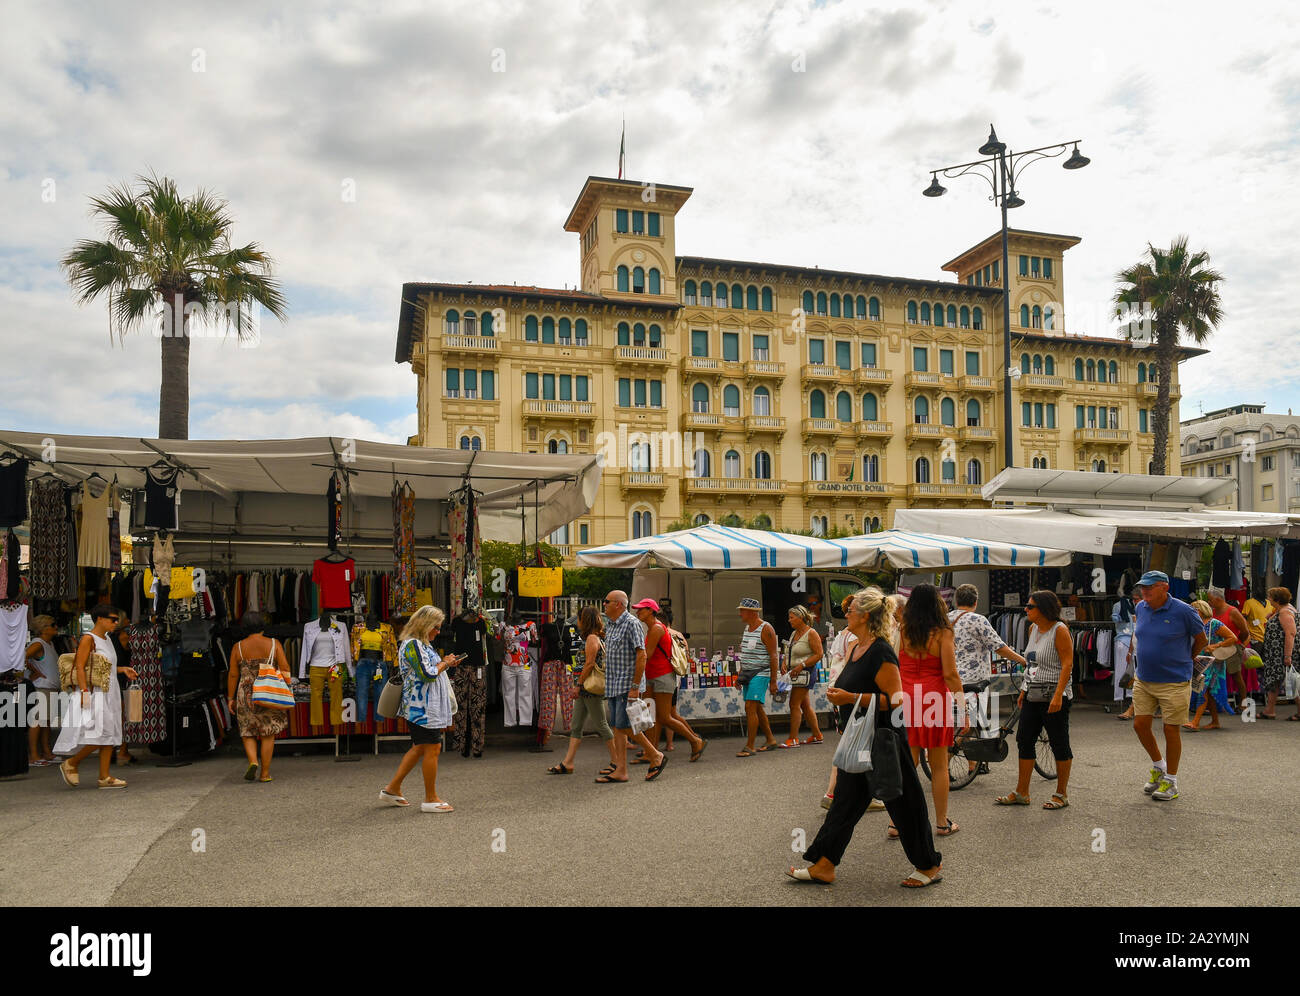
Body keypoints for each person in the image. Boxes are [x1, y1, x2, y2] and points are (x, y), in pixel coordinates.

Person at [788, 587, 944, 888]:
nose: (846, 612)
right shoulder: (856, 647)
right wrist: (843, 698)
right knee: (844, 804)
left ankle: (928, 865)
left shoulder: (881, 650)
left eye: (851, 609)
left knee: (905, 804)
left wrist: (850, 698)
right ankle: (824, 864)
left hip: (884, 740)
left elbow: (896, 700)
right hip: (860, 740)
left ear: (866, 615)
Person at [894, 583, 965, 838]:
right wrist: (963, 707)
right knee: (938, 766)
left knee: (907, 764)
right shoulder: (943, 633)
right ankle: (942, 822)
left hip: (905, 699)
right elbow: (950, 674)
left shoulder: (902, 631)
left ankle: (896, 824)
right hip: (934, 699)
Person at [1130, 571, 1207, 802]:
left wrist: (1187, 658)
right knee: (1140, 724)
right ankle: (1158, 765)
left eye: (1149, 587)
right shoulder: (1141, 608)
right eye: (1142, 587)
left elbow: (1201, 639)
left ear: (1164, 587)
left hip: (1174, 680)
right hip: (1144, 678)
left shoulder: (1184, 610)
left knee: (1170, 729)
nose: (1144, 591)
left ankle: (1171, 781)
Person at [993, 591, 1074, 810]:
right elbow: (1032, 664)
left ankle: (1061, 793)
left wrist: (1059, 694)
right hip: (1033, 693)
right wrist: (1024, 689)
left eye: (1030, 607)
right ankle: (1022, 791)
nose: (1025, 610)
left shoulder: (1060, 630)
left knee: (1059, 742)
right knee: (1024, 739)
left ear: (1044, 609)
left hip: (1054, 694)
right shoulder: (1032, 629)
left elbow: (1067, 664)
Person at [380, 606, 461, 812]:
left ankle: (392, 789)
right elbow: (427, 674)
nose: (438, 631)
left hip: (422, 707)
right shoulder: (413, 644)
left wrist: (445, 663)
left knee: (420, 748)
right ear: (425, 625)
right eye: (436, 627)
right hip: (421, 707)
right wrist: (445, 662)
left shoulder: (420, 644)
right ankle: (430, 799)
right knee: (432, 747)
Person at [56, 604, 138, 789]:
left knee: (110, 733)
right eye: (112, 619)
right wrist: (85, 692)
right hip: (95, 692)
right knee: (100, 733)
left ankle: (104, 776)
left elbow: (102, 667)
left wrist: (122, 669)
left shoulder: (108, 639)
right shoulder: (88, 638)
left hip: (110, 690)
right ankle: (72, 763)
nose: (116, 623)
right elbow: (80, 666)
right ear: (99, 619)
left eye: (117, 619)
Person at [948, 584, 1027, 755]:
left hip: (951, 678)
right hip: (975, 681)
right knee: (974, 721)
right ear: (975, 602)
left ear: (956, 600)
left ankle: (973, 764)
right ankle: (951, 754)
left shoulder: (946, 619)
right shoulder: (978, 620)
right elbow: (999, 647)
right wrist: (1021, 659)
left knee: (965, 720)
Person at [597, 591, 665, 783]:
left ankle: (655, 755)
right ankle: (621, 770)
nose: (604, 604)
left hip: (627, 683)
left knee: (625, 725)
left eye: (607, 602)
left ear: (618, 604)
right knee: (618, 728)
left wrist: (635, 685)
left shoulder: (631, 623)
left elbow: (641, 655)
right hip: (613, 684)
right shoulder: (610, 625)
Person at [632, 599, 707, 762]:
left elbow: (647, 655)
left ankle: (696, 740)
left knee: (665, 717)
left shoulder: (657, 628)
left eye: (641, 609)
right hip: (653, 676)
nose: (638, 612)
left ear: (651, 611)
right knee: (650, 716)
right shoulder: (653, 628)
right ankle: (650, 752)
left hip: (662, 676)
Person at [549, 606, 616, 775]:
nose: (577, 622)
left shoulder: (592, 638)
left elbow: (589, 664)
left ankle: (617, 761)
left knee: (601, 725)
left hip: (588, 687)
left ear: (584, 620)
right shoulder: (592, 638)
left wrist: (578, 685)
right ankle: (568, 762)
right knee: (576, 726)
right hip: (585, 687)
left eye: (578, 618)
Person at [227, 611, 293, 782]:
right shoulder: (273, 644)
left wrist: (230, 698)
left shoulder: (238, 647)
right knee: (267, 733)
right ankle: (265, 774)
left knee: (247, 731)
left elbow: (233, 675)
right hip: (268, 692)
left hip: (246, 693)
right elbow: (285, 668)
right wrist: (286, 687)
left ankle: (253, 761)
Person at [735, 597, 779, 757]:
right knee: (757, 709)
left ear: (752, 612)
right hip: (748, 672)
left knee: (750, 707)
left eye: (742, 610)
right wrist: (740, 673)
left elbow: (774, 655)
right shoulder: (747, 628)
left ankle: (750, 746)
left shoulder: (766, 629)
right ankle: (770, 740)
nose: (740, 614)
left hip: (761, 672)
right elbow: (746, 652)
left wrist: (773, 681)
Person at [779, 605, 824, 748]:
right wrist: (785, 662)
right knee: (805, 705)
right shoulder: (794, 634)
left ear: (801, 618)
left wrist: (802, 665)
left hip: (805, 673)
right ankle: (817, 735)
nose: (789, 620)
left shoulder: (811, 633)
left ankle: (793, 739)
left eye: (792, 617)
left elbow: (819, 654)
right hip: (795, 673)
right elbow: (789, 651)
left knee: (794, 704)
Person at [1186, 600, 1234, 730]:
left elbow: (1232, 637)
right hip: (1201, 662)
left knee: (1203, 689)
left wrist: (1216, 645)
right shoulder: (1196, 624)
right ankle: (1215, 721)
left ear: (1199, 610)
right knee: (1209, 692)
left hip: (1213, 663)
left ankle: (1195, 722)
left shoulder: (1215, 623)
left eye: (1193, 610)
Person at [448, 608, 489, 758]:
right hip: (461, 666)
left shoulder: (481, 623)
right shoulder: (457, 622)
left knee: (477, 707)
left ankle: (477, 746)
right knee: (460, 706)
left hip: (478, 666)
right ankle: (462, 745)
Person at [24, 616, 60, 767]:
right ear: (44, 628)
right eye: (53, 625)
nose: (56, 627)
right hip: (41, 687)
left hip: (49, 687)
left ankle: (46, 752)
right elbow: (22, 657)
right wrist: (34, 671)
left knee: (45, 722)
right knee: (38, 721)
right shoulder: (38, 644)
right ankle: (34, 755)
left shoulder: (48, 644)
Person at [1207, 587, 1251, 709]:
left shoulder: (1233, 611)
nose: (1209, 603)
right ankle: (1216, 702)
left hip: (1232, 647)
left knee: (1236, 674)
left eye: (1210, 600)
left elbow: (1245, 631)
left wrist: (1239, 645)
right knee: (1214, 675)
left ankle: (1243, 702)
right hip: (1217, 647)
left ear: (1218, 599)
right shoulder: (1213, 612)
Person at [349, 613, 397, 726]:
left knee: (380, 693)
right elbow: (352, 645)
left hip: (380, 664)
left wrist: (394, 663)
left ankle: (379, 721)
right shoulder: (357, 628)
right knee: (361, 692)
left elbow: (393, 645)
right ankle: (361, 721)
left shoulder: (387, 628)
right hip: (363, 663)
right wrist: (351, 662)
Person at [1260, 587, 1298, 721]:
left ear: (1276, 599)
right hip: (1277, 653)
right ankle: (1269, 710)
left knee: (1291, 681)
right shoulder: (1282, 610)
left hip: (1282, 653)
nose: (1268, 599)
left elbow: (1291, 633)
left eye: (1270, 597)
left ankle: (1271, 710)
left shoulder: (1285, 612)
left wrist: (1287, 656)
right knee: (1276, 681)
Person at [1113, 589, 1141, 720]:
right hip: (1129, 642)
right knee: (1134, 675)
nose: (1134, 602)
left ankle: (1131, 705)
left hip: (1136, 645)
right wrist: (1130, 650)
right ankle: (1129, 705)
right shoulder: (1135, 610)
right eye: (1134, 599)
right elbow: (1134, 633)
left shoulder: (1145, 610)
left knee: (1139, 676)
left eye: (1136, 599)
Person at [112, 625, 137, 766]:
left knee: (119, 719)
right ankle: (122, 751)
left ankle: (116, 751)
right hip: (123, 681)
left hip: (119, 681)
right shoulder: (123, 639)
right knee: (124, 719)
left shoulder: (109, 639)